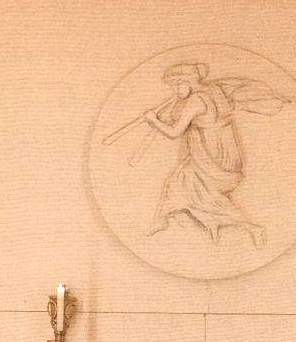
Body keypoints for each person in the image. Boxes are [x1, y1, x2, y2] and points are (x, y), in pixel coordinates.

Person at [116, 61, 284, 245]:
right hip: (224, 150)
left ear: (188, 81)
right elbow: (189, 118)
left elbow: (174, 132)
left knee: (203, 196)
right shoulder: (214, 89)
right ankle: (162, 220)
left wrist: (153, 120)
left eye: (177, 85)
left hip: (212, 156)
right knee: (178, 181)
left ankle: (251, 227)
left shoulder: (196, 101)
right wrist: (163, 117)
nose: (175, 90)